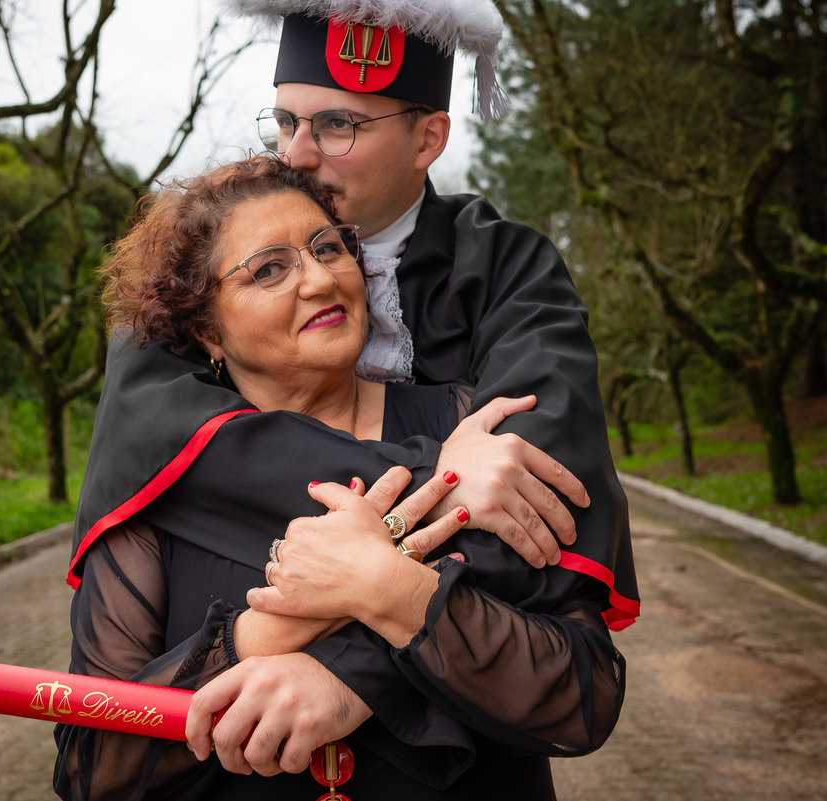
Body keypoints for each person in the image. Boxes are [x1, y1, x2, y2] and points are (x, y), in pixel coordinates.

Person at [65, 0, 639, 791]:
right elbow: (95, 756)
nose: (298, 155)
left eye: (338, 125)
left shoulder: (510, 273)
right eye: (285, 122)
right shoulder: (167, 315)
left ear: (427, 139)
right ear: (207, 328)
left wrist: (349, 665)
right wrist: (444, 477)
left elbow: (527, 516)